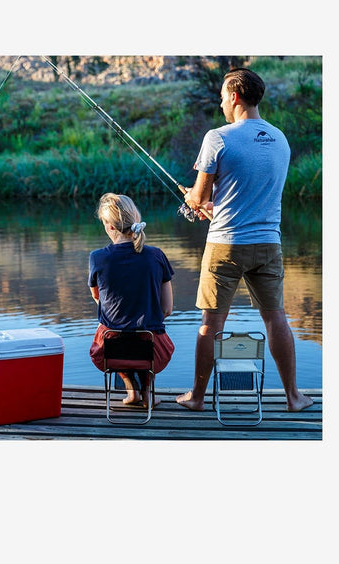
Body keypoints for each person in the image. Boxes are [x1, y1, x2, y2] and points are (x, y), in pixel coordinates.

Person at [176, 68, 314, 413]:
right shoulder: (280, 138)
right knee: (276, 317)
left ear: (235, 96)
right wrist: (212, 204)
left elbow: (199, 196)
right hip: (269, 244)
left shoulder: (218, 138)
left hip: (225, 245)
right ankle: (294, 397)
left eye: (224, 95)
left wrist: (195, 201)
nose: (222, 102)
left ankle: (196, 397)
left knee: (211, 323)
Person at [88, 192, 175, 407]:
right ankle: (147, 393)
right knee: (148, 331)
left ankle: (131, 391)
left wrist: (122, 313)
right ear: (136, 218)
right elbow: (167, 309)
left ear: (109, 226)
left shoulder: (97, 257)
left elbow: (97, 298)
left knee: (111, 329)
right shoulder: (156, 255)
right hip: (153, 351)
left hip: (110, 350)